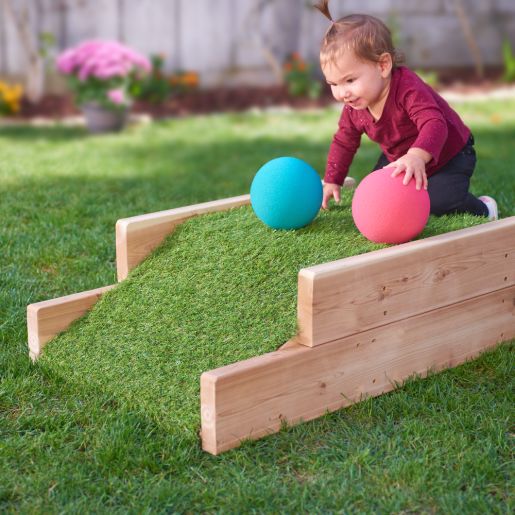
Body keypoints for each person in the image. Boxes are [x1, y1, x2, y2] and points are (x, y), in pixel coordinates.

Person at [314, 0, 498, 220]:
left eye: (350, 80)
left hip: (451, 154)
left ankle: (485, 208)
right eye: (334, 84)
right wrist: (333, 179)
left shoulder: (407, 89)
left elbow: (434, 124)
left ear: (383, 65)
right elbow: (344, 141)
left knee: (439, 200)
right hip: (402, 155)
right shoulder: (355, 106)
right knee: (377, 196)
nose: (343, 93)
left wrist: (417, 156)